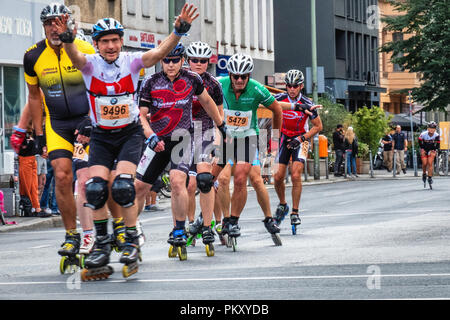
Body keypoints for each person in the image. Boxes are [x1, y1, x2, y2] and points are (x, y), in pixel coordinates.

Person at [55, 3, 200, 277]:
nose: (111, 46)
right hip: (100, 135)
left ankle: (130, 238)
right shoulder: (89, 66)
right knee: (95, 189)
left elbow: (159, 53)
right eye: (105, 42)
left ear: (122, 41)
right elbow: (74, 56)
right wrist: (67, 38)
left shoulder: (131, 62)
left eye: (115, 41)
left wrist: (178, 32)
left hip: (129, 133)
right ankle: (102, 243)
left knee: (123, 188)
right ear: (96, 44)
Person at [19, 3, 96, 264]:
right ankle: (71, 234)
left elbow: (99, 86)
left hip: (84, 121)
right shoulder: (33, 56)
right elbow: (33, 97)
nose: (54, 27)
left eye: (59, 21)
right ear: (43, 26)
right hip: (57, 124)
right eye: (49, 23)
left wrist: (92, 121)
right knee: (62, 176)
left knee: (84, 177)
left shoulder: (84, 49)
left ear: (68, 22)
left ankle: (91, 234)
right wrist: (38, 135)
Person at [135, 42, 226, 260]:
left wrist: (220, 125)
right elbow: (141, 115)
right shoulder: (150, 82)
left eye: (175, 60)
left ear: (182, 61)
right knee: (138, 187)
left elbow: (207, 101)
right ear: (161, 61)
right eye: (166, 60)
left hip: (184, 139)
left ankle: (182, 228)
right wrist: (150, 136)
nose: (171, 65)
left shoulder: (193, 79)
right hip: (157, 140)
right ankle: (131, 231)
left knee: (180, 181)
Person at [216, 53, 283, 244]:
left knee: (248, 178)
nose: (239, 80)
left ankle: (267, 218)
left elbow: (277, 110)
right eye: (235, 76)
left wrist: (274, 142)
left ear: (249, 75)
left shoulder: (256, 89)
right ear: (229, 74)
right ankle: (225, 220)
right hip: (226, 139)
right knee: (221, 179)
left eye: (243, 76)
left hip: (249, 137)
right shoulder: (219, 84)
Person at [184, 41, 224, 247]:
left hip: (205, 132)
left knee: (204, 180)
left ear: (208, 62)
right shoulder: (179, 79)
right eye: (194, 60)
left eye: (203, 61)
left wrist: (218, 141)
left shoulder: (214, 85)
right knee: (188, 186)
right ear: (187, 61)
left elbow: (219, 114)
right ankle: (191, 224)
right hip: (182, 134)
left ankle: (208, 227)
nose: (198, 64)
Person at [272, 69, 323, 228]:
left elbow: (318, 126)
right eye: (289, 86)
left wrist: (301, 138)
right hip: (283, 137)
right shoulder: (280, 98)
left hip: (301, 139)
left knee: (295, 174)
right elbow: (264, 103)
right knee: (277, 176)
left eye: (295, 86)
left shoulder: (308, 104)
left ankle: (295, 212)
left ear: (301, 86)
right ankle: (283, 204)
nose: (292, 89)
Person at [418, 121, 440, 186]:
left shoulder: (437, 135)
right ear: (427, 129)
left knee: (430, 163)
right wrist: (422, 149)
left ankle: (430, 177)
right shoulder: (423, 134)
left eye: (433, 128)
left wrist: (434, 150)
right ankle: (424, 174)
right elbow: (419, 141)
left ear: (435, 129)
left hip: (432, 149)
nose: (431, 130)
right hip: (424, 148)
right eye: (430, 128)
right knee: (424, 163)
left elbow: (438, 144)